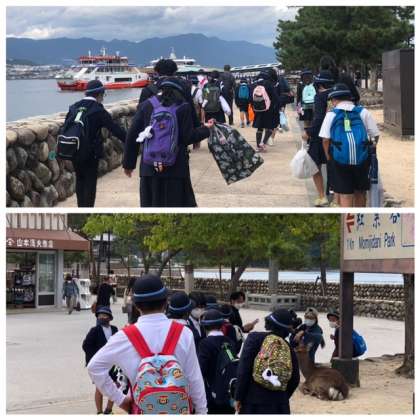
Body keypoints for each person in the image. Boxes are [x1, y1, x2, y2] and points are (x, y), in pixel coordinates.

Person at [87, 274, 207, 414]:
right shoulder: (184, 333)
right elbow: (195, 379)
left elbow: (94, 367)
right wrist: (201, 412)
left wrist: (120, 399)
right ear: (166, 302)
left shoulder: (124, 337)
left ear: (136, 305)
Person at [123, 77, 215, 207]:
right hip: (176, 168)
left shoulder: (146, 105)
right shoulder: (183, 107)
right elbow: (188, 137)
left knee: (151, 206)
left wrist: (128, 164)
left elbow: (132, 134)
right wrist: (206, 129)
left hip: (149, 168)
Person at [62, 80, 126, 207]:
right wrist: (131, 141)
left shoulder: (74, 107)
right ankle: (88, 209)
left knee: (80, 179)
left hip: (74, 150)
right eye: (103, 94)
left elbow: (66, 127)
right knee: (90, 182)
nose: (103, 98)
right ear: (99, 94)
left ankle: (81, 207)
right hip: (90, 153)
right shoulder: (98, 109)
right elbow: (115, 129)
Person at [319, 83, 380, 207]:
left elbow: (325, 139)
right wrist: (367, 149)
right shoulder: (363, 112)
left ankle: (347, 217)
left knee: (345, 194)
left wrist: (329, 157)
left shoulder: (331, 114)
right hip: (362, 158)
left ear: (334, 99)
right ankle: (359, 217)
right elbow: (375, 135)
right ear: (349, 97)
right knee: (360, 192)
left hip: (339, 159)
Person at [234, 309, 300, 414]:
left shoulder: (253, 338)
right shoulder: (287, 347)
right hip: (279, 405)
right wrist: (282, 397)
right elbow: (295, 379)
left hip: (253, 402)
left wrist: (238, 397)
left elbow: (243, 371)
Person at [302, 69, 336, 207]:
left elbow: (319, 118)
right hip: (336, 135)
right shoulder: (337, 95)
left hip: (320, 135)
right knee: (334, 166)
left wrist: (309, 132)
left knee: (315, 165)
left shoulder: (320, 96)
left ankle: (322, 196)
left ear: (319, 84)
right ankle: (336, 199)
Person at [198, 309, 237, 414]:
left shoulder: (205, 343)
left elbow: (202, 370)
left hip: (212, 395)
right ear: (221, 325)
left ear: (204, 327)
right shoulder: (230, 341)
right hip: (229, 394)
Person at [82, 306, 119, 414]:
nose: (102, 317)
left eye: (104, 315)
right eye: (100, 315)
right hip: (100, 365)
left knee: (114, 386)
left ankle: (108, 410)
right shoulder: (94, 330)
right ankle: (99, 412)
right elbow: (86, 345)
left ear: (110, 317)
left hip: (113, 363)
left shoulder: (114, 329)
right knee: (99, 388)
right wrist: (95, 358)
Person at [251, 70, 280, 151]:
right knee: (270, 127)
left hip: (258, 110)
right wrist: (277, 106)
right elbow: (275, 98)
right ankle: (263, 143)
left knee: (259, 128)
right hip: (269, 110)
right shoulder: (269, 84)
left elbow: (251, 98)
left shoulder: (255, 85)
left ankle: (258, 146)